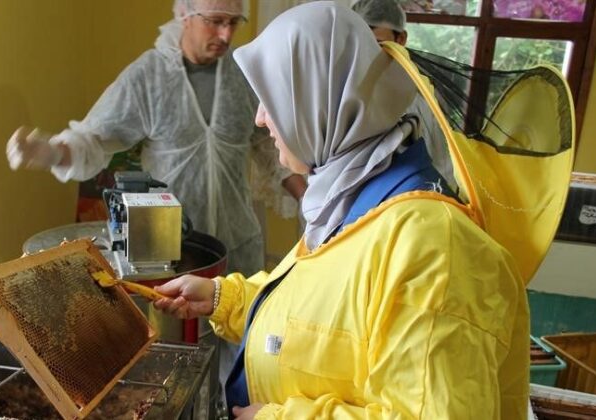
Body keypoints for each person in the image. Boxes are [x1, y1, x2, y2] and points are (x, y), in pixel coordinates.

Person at [154, 2, 530, 419]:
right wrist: (226, 299)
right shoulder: (348, 200)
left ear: (317, 102)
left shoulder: (435, 249)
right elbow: (328, 314)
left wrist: (276, 418)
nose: (260, 119)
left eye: (271, 100)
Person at [5, 0, 306, 404]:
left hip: (239, 245)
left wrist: (315, 201)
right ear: (185, 13)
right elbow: (95, 137)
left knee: (243, 350)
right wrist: (51, 153)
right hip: (172, 252)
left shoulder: (241, 75)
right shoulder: (150, 76)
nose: (226, 35)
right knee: (175, 362)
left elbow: (270, 152)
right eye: (215, 22)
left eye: (234, 23)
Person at [352, 0, 455, 190]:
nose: (368, 53)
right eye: (359, 42)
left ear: (401, 39)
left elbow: (443, 164)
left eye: (377, 43)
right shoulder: (346, 92)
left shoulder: (422, 97)